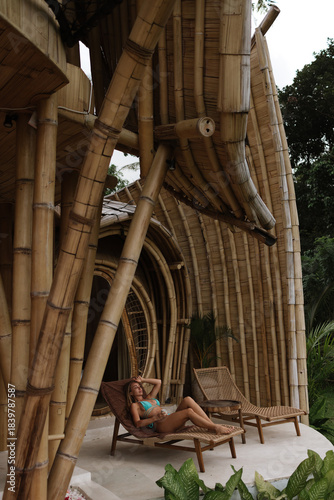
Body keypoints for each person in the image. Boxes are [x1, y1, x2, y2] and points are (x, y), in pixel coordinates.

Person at [124, 376, 232, 435]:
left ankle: (211, 426)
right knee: (188, 411)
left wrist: (142, 379)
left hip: (170, 419)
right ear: (131, 393)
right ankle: (215, 427)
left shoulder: (149, 397)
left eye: (139, 386)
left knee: (187, 399)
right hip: (162, 425)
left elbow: (159, 382)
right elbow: (138, 424)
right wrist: (155, 418)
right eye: (135, 387)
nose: (139, 388)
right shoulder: (135, 405)